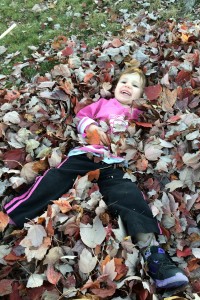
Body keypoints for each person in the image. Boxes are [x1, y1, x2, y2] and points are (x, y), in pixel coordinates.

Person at [3, 67, 189, 289]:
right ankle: (11, 216)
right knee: (55, 179)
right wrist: (91, 126)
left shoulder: (139, 115)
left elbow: (152, 135)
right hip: (88, 154)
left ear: (142, 95)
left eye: (135, 85)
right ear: (115, 86)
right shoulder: (103, 104)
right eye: (124, 82)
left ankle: (154, 256)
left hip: (114, 164)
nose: (128, 86)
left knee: (128, 195)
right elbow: (82, 116)